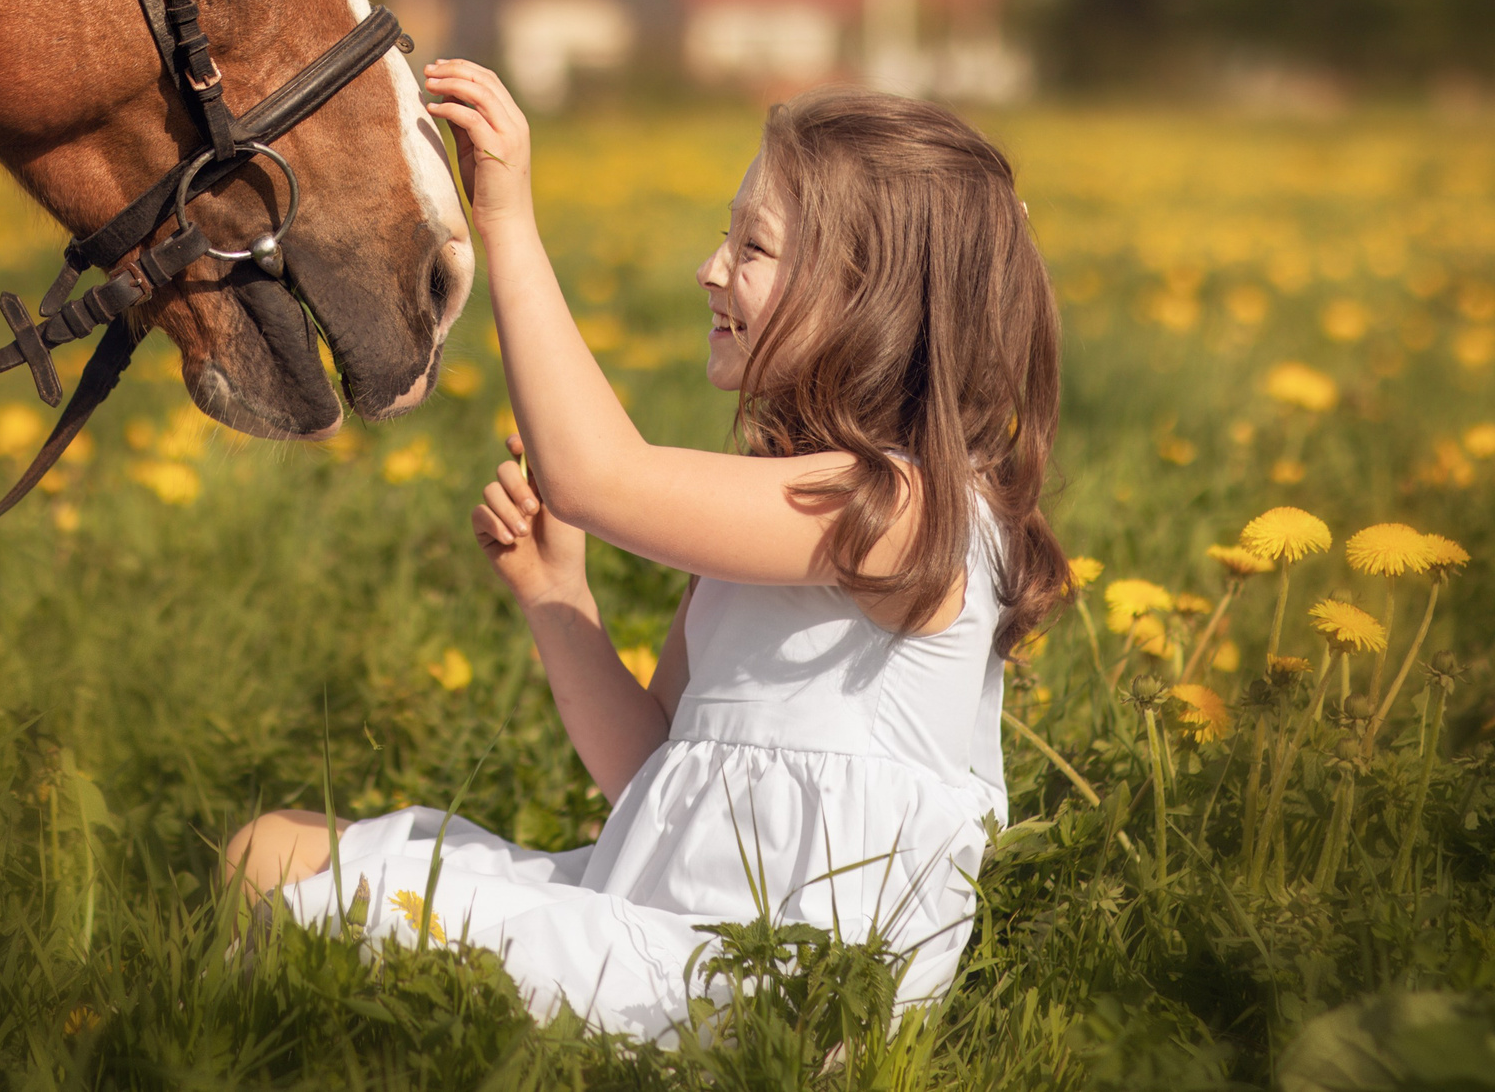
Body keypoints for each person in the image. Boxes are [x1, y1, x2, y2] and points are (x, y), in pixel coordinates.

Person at [223, 61, 1070, 1040]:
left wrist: (507, 222)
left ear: (868, 299)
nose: (710, 268)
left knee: (319, 913)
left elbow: (597, 477)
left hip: (763, 997)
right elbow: (650, 770)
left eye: (752, 246)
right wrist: (558, 595)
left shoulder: (909, 511)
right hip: (655, 930)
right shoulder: (790, 513)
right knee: (270, 851)